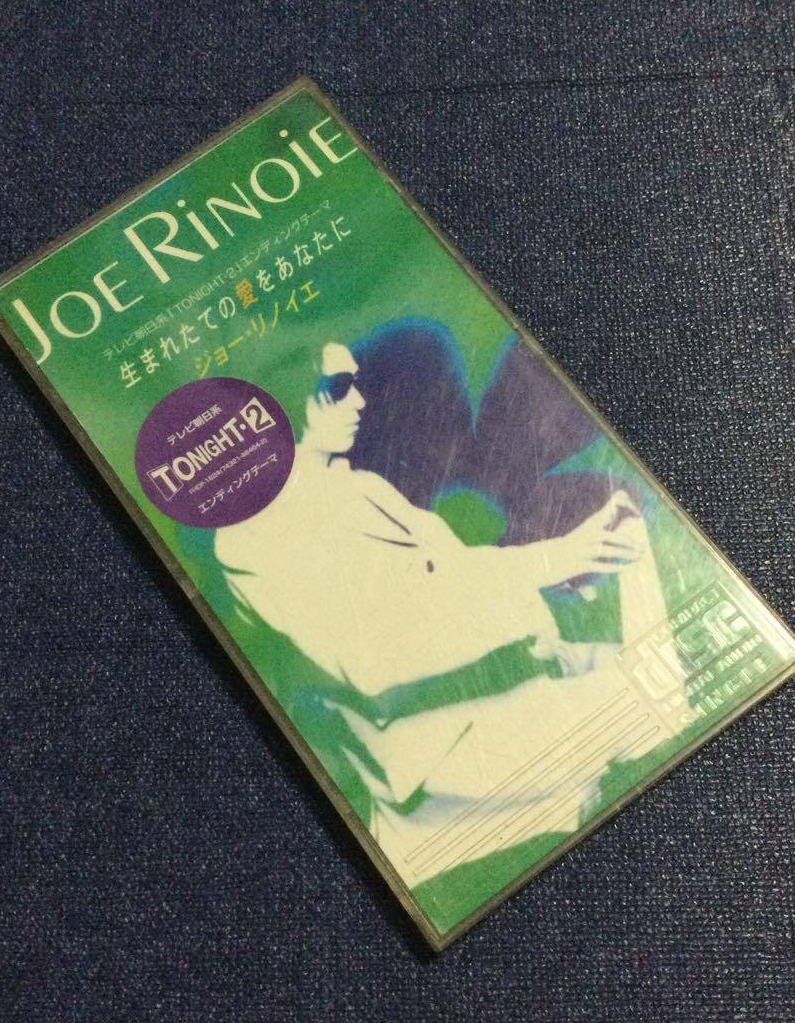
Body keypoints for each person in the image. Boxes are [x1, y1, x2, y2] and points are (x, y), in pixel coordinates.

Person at [215, 342, 682, 886]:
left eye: (354, 385)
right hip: (444, 756)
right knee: (659, 705)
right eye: (336, 389)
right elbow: (373, 651)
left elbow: (457, 578)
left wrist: (575, 566)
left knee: (656, 639)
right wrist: (555, 559)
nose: (358, 402)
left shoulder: (359, 487)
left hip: (509, 693)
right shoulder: (254, 533)